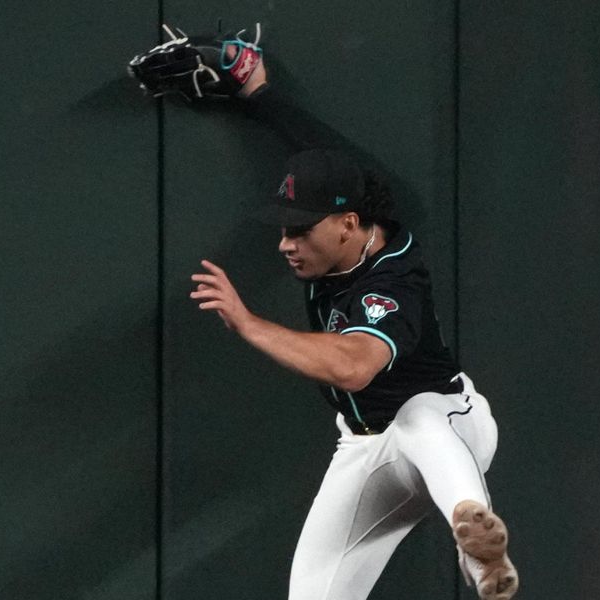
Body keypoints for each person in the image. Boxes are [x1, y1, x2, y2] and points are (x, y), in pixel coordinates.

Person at [188, 46, 519, 600]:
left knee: (417, 416)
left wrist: (249, 324)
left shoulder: (393, 284)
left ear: (347, 225)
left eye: (300, 231)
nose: (285, 244)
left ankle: (479, 551)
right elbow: (314, 149)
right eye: (284, 229)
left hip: (453, 428)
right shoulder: (353, 200)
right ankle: (473, 535)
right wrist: (258, 91)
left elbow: (354, 366)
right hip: (366, 450)